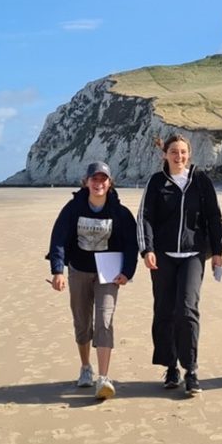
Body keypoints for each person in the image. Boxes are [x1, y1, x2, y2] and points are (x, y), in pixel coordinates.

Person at [137, 134, 222, 396]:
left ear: (190, 154)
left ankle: (191, 370)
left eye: (183, 152)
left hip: (193, 255)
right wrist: (147, 249)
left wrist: (218, 251)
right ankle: (171, 366)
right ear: (165, 154)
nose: (179, 157)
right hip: (162, 256)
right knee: (164, 310)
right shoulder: (156, 182)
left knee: (187, 310)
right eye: (174, 152)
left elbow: (214, 217)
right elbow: (145, 217)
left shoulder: (200, 181)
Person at [47, 161, 138, 400]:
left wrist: (127, 272)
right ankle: (86, 367)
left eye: (103, 179)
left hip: (108, 273)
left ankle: (103, 378)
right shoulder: (73, 208)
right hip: (79, 270)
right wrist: (58, 270)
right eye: (94, 179)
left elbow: (131, 244)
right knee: (82, 321)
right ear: (86, 182)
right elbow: (58, 238)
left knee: (104, 321)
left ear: (110, 183)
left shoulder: (120, 212)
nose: (99, 183)